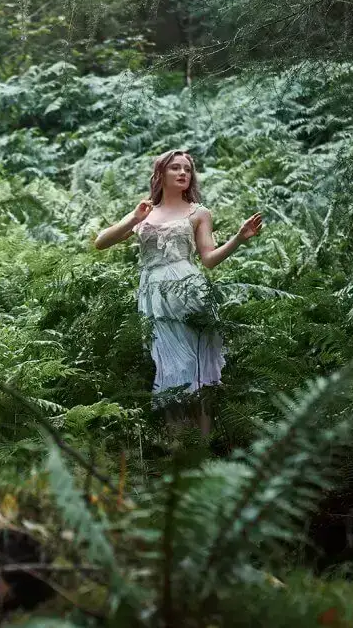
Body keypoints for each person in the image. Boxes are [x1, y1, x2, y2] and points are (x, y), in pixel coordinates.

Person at [94, 149, 263, 438]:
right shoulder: (145, 212)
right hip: (154, 294)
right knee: (169, 365)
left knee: (194, 364)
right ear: (160, 173)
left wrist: (238, 238)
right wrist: (133, 219)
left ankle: (203, 447)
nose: (183, 173)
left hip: (189, 290)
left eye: (187, 169)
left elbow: (208, 259)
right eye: (175, 168)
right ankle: (178, 448)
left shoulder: (199, 213)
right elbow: (100, 242)